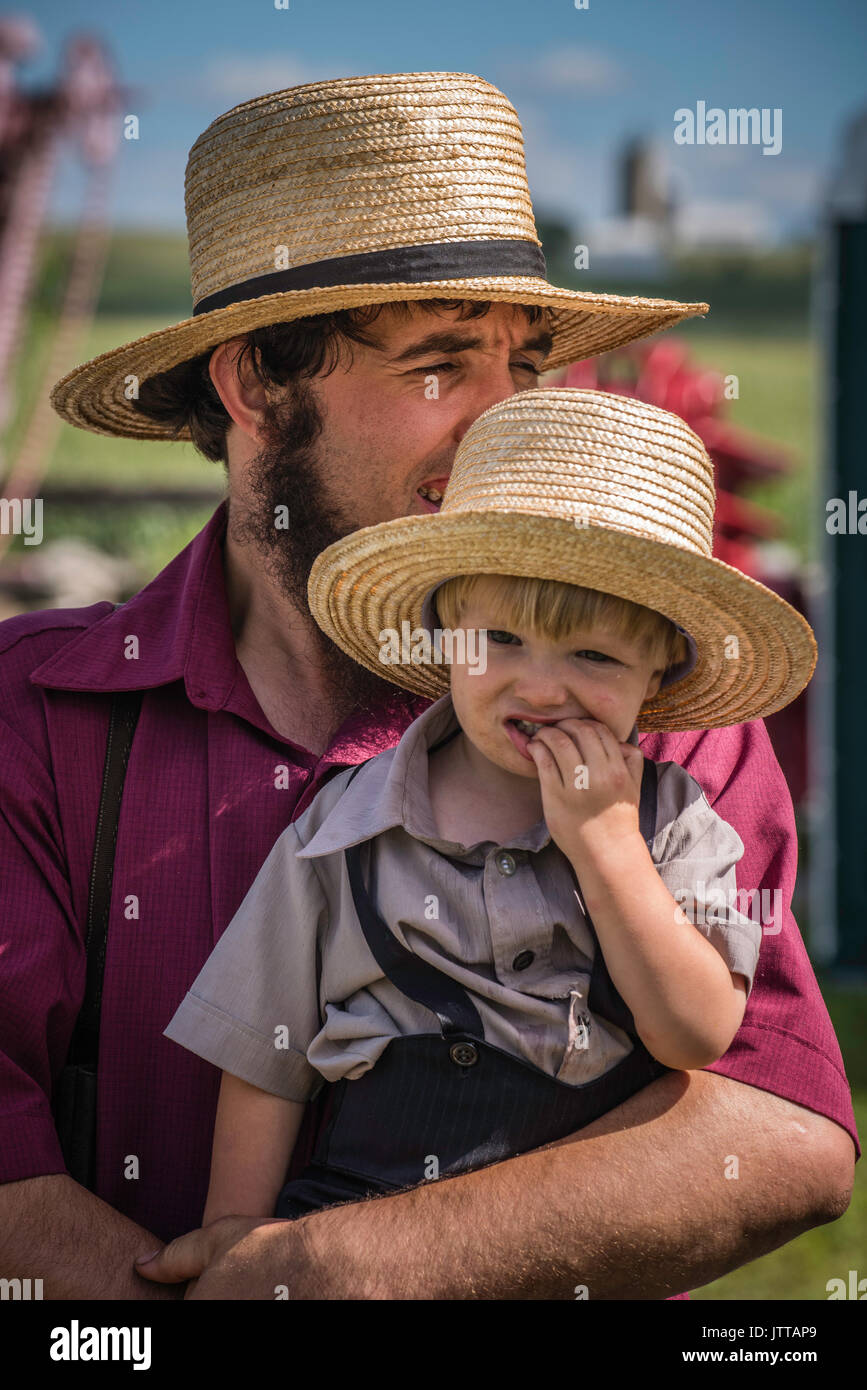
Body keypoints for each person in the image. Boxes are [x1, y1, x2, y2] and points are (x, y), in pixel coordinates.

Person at [0, 73, 856, 1303]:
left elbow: (780, 1135)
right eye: (442, 365)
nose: (506, 422)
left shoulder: (653, 707)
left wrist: (326, 1268)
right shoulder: (34, 718)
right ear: (253, 385)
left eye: (526, 364)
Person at [159, 386, 814, 1238]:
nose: (539, 687)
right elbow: (264, 1048)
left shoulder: (672, 821)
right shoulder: (349, 823)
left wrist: (607, 845)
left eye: (592, 655)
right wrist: (235, 1231)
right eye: (500, 641)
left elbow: (693, 1036)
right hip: (358, 1212)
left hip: (582, 1237)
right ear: (444, 631)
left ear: (659, 674)